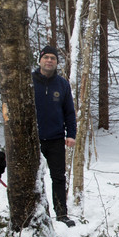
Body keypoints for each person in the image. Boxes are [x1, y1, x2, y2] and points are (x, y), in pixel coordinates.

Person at [33, 45, 77, 226]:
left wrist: (71, 134)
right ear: (40, 60)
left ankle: (61, 214)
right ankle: (35, 213)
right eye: (46, 57)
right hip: (33, 139)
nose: (49, 61)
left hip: (56, 138)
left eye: (53, 58)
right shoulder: (29, 81)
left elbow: (69, 112)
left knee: (58, 177)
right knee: (34, 179)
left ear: (57, 62)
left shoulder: (62, 84)